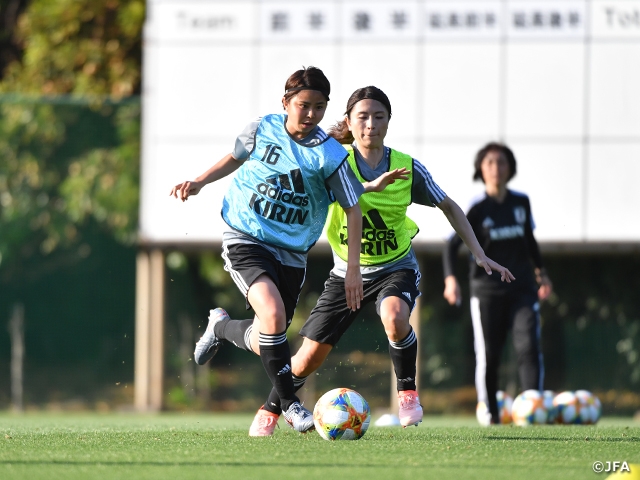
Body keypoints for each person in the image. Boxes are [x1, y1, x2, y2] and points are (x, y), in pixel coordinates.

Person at [248, 86, 515, 436]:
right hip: (346, 271)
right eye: (362, 116)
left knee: (393, 315)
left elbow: (448, 205)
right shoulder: (332, 159)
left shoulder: (406, 167)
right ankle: (269, 410)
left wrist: (479, 253)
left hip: (396, 267)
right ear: (349, 121)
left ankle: (407, 391)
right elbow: (296, 159)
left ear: (389, 121)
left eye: (379, 116)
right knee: (307, 357)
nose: (371, 124)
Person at [169, 67, 405, 433]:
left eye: (319, 107)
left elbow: (353, 207)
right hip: (246, 235)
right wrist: (199, 181)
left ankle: (222, 327)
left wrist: (354, 267)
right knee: (275, 317)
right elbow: (236, 156)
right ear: (285, 102)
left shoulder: (329, 154)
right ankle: (292, 406)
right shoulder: (262, 128)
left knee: (270, 333)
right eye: (303, 106)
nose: (310, 115)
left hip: (292, 253)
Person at [442, 142, 553, 426]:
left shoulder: (521, 203)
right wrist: (451, 279)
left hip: (522, 289)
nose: (495, 168)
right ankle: (491, 414)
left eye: (501, 162)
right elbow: (451, 246)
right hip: (487, 292)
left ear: (510, 168)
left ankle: (533, 407)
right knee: (489, 355)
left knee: (528, 345)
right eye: (489, 162)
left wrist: (541, 273)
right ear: (481, 169)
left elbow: (530, 242)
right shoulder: (478, 209)